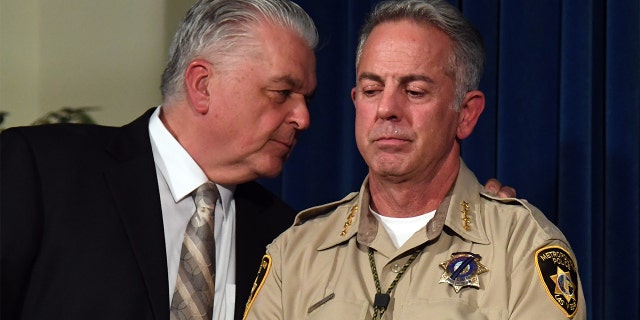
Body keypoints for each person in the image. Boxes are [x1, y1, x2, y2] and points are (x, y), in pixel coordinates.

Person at [0, 0, 513, 319]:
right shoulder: (37, 172)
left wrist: (464, 225)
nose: (303, 118)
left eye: (307, 98)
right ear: (203, 85)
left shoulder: (287, 236)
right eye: (283, 92)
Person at [241, 0, 586, 319]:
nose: (387, 109)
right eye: (372, 90)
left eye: (415, 91)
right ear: (355, 102)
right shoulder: (295, 251)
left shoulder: (522, 248)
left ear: (465, 114)